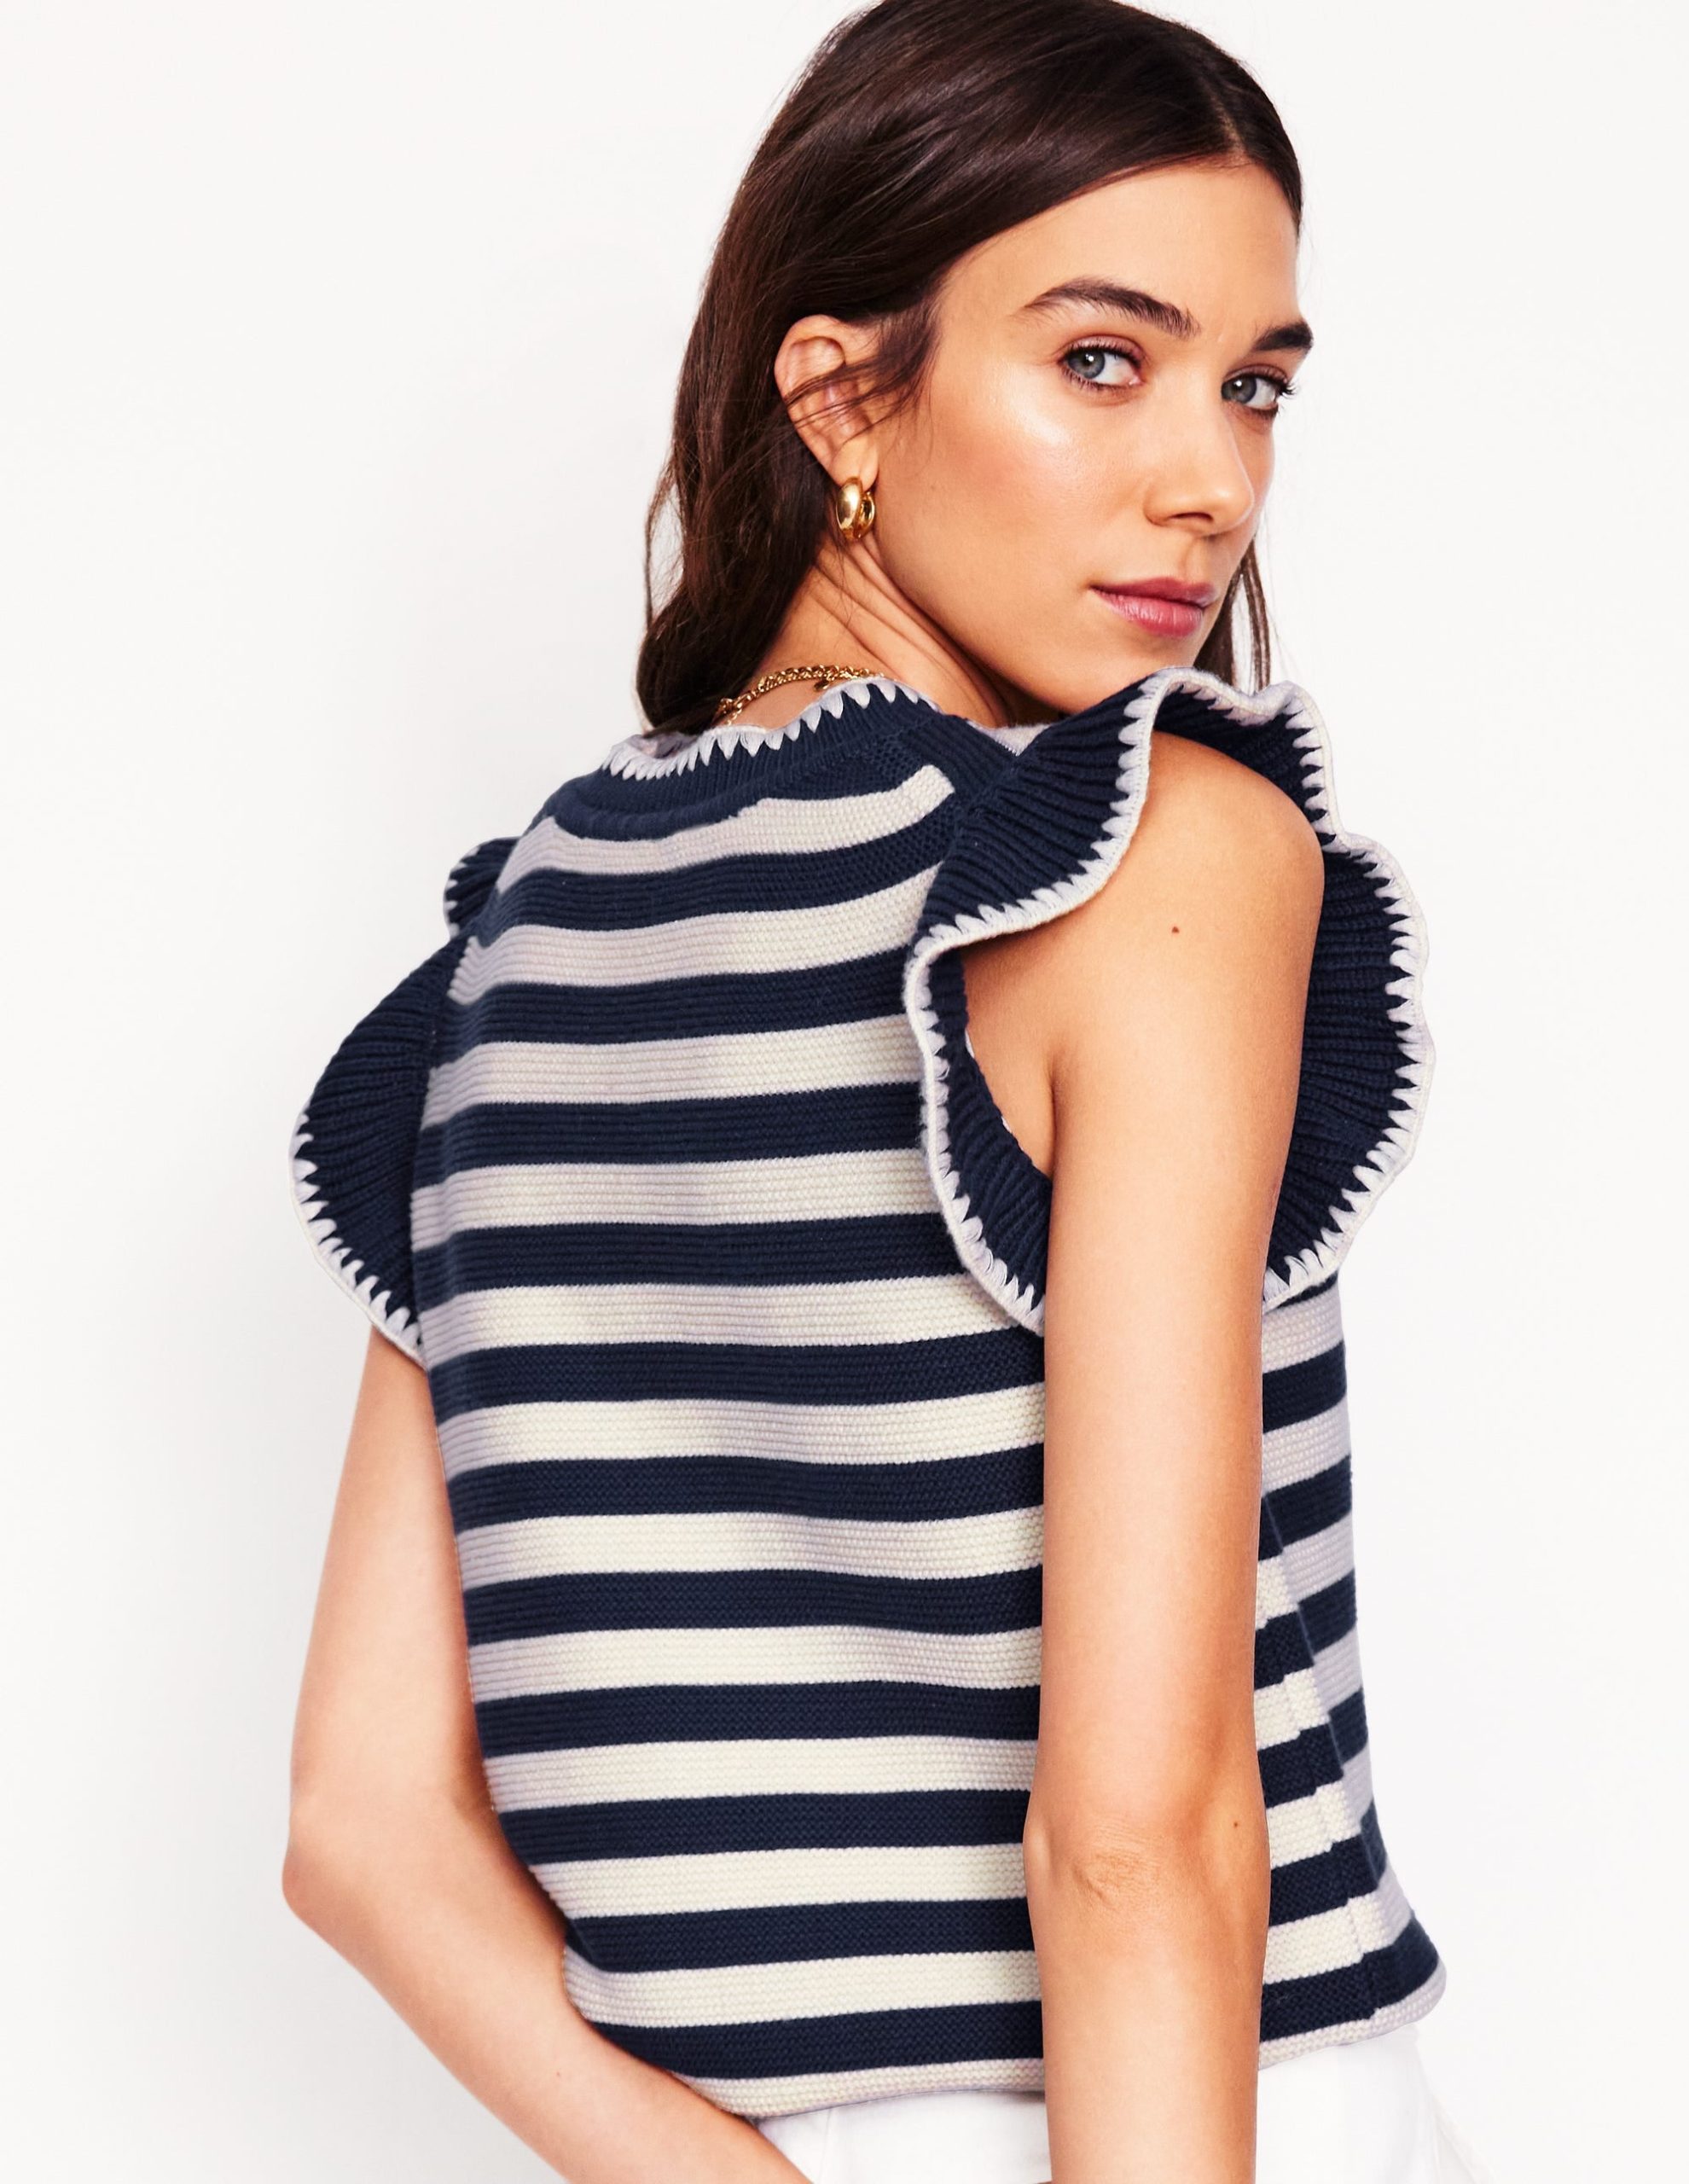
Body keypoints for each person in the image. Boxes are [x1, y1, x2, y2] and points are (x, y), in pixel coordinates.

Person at [281, 3, 1491, 2179]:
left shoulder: (502, 958)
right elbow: (1134, 1837)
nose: (1213, 478)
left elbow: (366, 1827)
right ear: (843, 392)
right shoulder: (1144, 853)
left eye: (1256, 383)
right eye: (1103, 360)